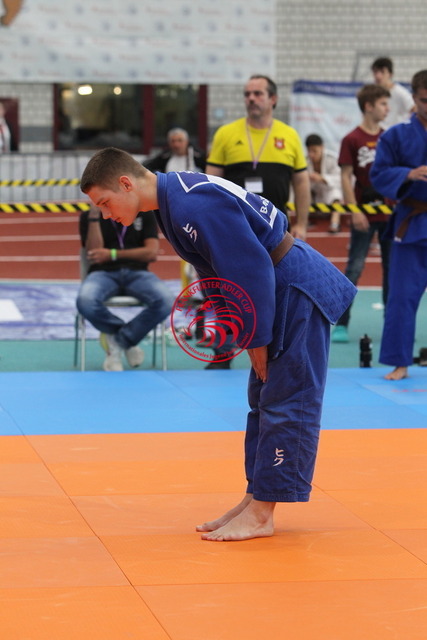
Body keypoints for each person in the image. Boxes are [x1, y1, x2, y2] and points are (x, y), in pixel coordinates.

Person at [80, 147, 356, 542]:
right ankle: (256, 497)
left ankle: (263, 514)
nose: (106, 214)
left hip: (290, 288)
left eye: (105, 203)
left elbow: (250, 267)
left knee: (286, 399)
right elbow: (214, 271)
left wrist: (255, 337)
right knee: (263, 399)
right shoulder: (173, 200)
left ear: (126, 183)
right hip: (273, 289)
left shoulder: (192, 203)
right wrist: (237, 327)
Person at [370, 69, 427, 381]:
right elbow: (378, 174)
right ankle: (400, 363)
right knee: (402, 297)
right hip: (413, 223)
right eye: (425, 100)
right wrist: (407, 174)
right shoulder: (394, 136)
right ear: (414, 99)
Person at [206, 74, 310, 241]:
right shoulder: (225, 134)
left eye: (258, 94)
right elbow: (211, 182)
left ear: (273, 99)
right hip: (234, 227)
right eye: (247, 94)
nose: (251, 99)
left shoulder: (290, 135)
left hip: (278, 228)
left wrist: (302, 224)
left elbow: (301, 183)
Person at [76, 205, 174, 372]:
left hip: (138, 273)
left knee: (166, 300)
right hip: (102, 273)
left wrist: (112, 254)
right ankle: (127, 339)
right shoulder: (88, 216)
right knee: (85, 301)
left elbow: (151, 253)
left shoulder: (144, 214)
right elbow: (93, 254)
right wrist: (93, 218)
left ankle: (118, 342)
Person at [331, 84, 391, 344]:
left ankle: (392, 324)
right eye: (383, 104)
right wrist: (354, 210)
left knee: (392, 271)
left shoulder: (388, 137)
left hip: (389, 214)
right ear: (369, 106)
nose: (387, 109)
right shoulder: (352, 139)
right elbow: (345, 177)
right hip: (363, 214)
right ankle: (342, 323)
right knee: (354, 268)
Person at [305, 133, 342, 233]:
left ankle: (335, 222)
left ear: (322, 147)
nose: (311, 154)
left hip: (329, 193)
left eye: (314, 151)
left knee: (336, 193)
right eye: (309, 151)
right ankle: (305, 220)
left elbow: (340, 180)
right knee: (303, 190)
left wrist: (322, 178)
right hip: (315, 195)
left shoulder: (332, 158)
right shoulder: (305, 161)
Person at [371, 57, 414, 129]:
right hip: (379, 132)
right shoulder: (372, 93)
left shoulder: (400, 93)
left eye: (382, 72)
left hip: (395, 133)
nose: (378, 76)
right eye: (375, 72)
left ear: (390, 74)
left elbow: (415, 110)